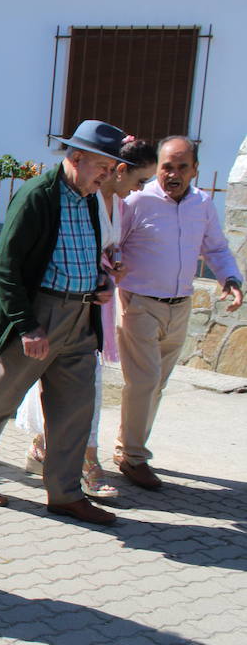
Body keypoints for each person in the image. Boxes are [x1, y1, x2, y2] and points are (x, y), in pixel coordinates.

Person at [0, 120, 125, 526]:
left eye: (111, 168)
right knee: (4, 397)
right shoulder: (37, 195)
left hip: (81, 317)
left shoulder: (87, 198)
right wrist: (26, 325)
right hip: (40, 315)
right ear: (76, 156)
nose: (107, 175)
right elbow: (6, 266)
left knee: (75, 410)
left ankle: (65, 493)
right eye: (102, 166)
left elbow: (84, 252)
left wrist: (100, 281)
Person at [14, 138, 157, 499]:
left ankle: (46, 448)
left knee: (79, 380)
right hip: (68, 300)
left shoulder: (118, 205)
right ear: (119, 171)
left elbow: (106, 246)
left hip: (98, 301)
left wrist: (114, 262)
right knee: (67, 380)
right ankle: (85, 461)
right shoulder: (84, 198)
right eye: (139, 181)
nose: (140, 190)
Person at [114, 135, 243, 489]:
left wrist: (230, 279)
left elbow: (215, 247)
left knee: (156, 384)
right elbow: (114, 244)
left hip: (180, 306)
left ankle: (129, 446)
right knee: (142, 381)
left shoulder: (201, 203)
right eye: (166, 167)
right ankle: (133, 457)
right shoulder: (138, 200)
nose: (172, 174)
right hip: (139, 303)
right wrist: (116, 270)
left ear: (194, 170)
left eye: (181, 167)